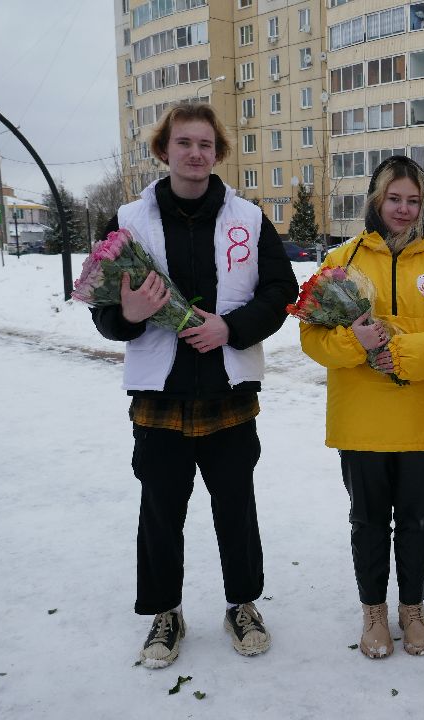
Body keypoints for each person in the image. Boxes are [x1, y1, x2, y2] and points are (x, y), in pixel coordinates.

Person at [90, 104, 299, 668]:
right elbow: (104, 313)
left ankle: (242, 605)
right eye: (183, 142)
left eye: (205, 144)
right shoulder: (128, 220)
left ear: (218, 152)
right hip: (159, 396)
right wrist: (128, 314)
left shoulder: (248, 218)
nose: (195, 153)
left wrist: (231, 327)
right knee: (160, 511)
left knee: (236, 508)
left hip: (229, 391)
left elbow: (281, 291)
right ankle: (165, 612)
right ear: (164, 150)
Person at [300, 156, 424, 659]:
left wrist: (396, 353)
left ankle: (412, 609)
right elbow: (312, 338)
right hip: (362, 421)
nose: (403, 209)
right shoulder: (341, 263)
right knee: (368, 520)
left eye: (413, 200)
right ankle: (374, 611)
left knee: (418, 520)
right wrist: (354, 342)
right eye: (394, 198)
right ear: (375, 200)